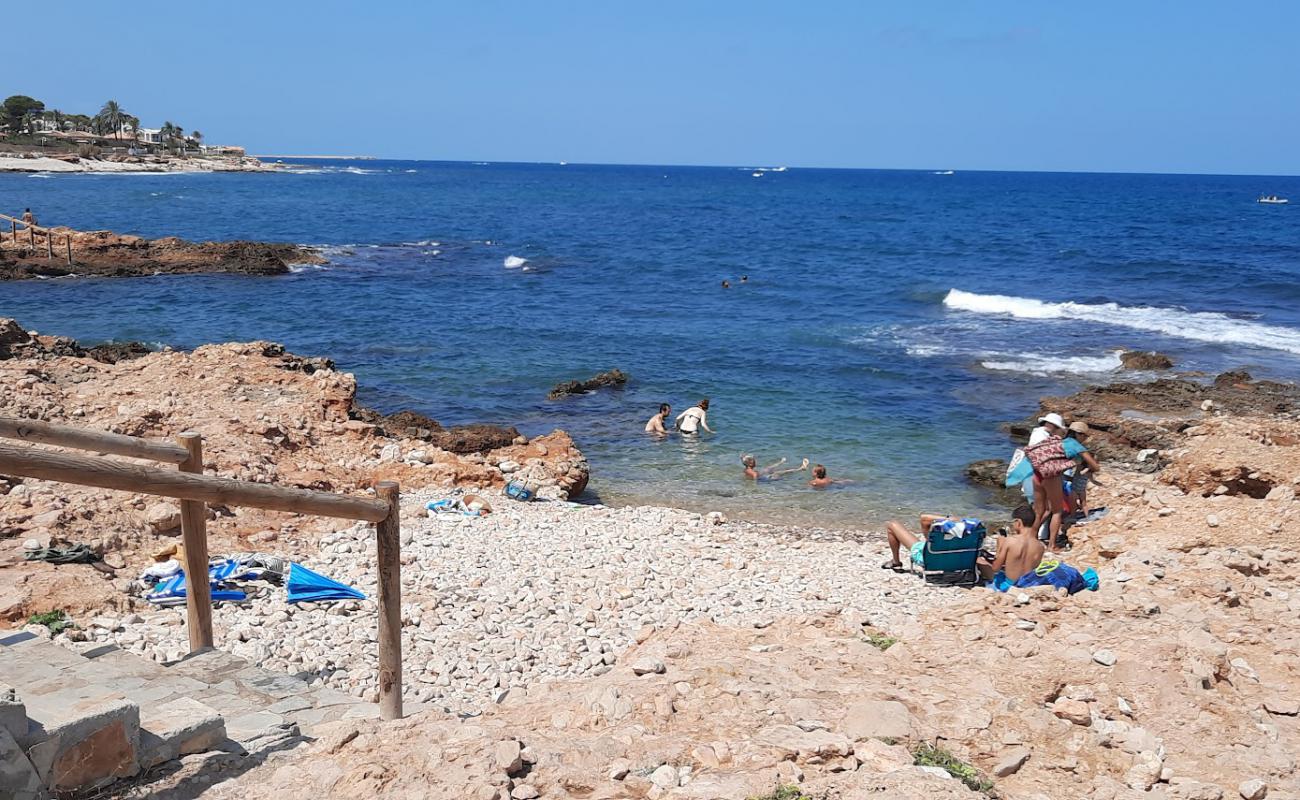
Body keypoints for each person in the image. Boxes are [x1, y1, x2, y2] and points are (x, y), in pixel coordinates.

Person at [977, 504, 1045, 585]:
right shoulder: (1040, 546)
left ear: (1019, 522)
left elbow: (995, 568)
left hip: (1010, 585)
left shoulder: (1010, 541)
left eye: (1013, 522)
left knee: (979, 560)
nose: (1012, 525)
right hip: (1027, 584)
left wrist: (999, 547)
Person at [882, 512, 957, 572]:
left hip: (931, 560)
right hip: (956, 561)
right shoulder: (967, 531)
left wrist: (948, 518)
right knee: (930, 545)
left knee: (891, 525)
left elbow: (924, 518)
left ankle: (896, 562)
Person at [1064, 421, 1102, 518]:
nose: (1085, 439)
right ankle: (1075, 516)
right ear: (1078, 434)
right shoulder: (1078, 447)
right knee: (1081, 502)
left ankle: (1069, 515)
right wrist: (1090, 467)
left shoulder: (1062, 442)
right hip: (1080, 488)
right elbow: (1096, 467)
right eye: (1085, 436)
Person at [742, 454, 809, 480]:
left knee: (768, 468)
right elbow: (754, 475)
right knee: (781, 472)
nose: (755, 462)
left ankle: (781, 462)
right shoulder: (750, 471)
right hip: (763, 478)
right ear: (750, 464)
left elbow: (751, 474)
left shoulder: (746, 469)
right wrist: (755, 485)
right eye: (754, 461)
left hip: (760, 474)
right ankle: (801, 469)